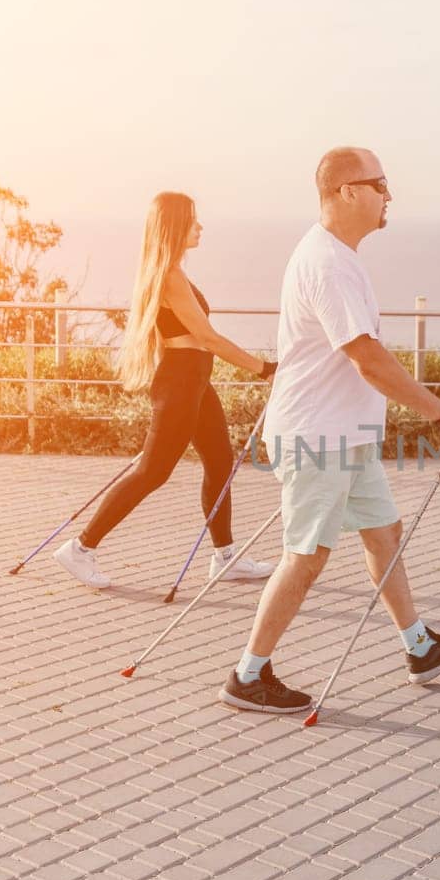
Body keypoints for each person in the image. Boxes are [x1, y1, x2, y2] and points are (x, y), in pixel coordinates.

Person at [219, 147, 440, 714]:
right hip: (317, 437)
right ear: (348, 191)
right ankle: (247, 674)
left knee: (384, 534)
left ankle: (418, 647)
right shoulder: (328, 264)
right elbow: (367, 358)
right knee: (306, 556)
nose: (390, 195)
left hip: (344, 435)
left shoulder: (338, 255)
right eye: (381, 183)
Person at [53, 192, 277, 589]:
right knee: (153, 472)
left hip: (193, 383)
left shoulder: (172, 271)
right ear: (175, 226)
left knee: (220, 463)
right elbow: (207, 338)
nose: (201, 227)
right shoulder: (170, 276)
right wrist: (265, 369)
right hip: (180, 383)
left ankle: (225, 557)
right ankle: (81, 548)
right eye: (194, 221)